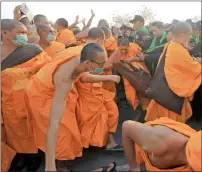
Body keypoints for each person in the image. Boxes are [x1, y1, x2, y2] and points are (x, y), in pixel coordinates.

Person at [25, 42, 120, 171]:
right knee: (63, 129)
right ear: (87, 62)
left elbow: (83, 77)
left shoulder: (80, 58)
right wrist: (49, 166)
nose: (103, 67)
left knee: (71, 124)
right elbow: (54, 123)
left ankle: (60, 162)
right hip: (42, 93)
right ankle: (56, 165)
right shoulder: (65, 79)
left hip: (58, 90)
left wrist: (109, 77)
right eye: (100, 64)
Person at [1, 19, 51, 171]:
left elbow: (48, 71)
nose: (24, 36)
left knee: (35, 130)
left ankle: (35, 157)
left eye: (25, 32)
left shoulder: (33, 50)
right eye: (20, 33)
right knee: (15, 133)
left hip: (33, 100)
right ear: (4, 33)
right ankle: (21, 156)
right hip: (8, 103)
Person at [145, 22, 201, 123]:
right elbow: (193, 69)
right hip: (170, 96)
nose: (191, 37)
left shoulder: (171, 44)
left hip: (163, 92)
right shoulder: (177, 49)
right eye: (190, 34)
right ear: (182, 35)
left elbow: (181, 64)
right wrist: (199, 62)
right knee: (169, 125)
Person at [75, 27, 119, 150]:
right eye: (104, 40)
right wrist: (108, 77)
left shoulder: (96, 50)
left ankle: (109, 141)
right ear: (100, 39)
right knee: (91, 117)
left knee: (111, 111)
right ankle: (87, 144)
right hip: (84, 90)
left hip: (97, 88)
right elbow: (84, 77)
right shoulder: (80, 52)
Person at [122, 117, 201, 171]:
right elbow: (127, 127)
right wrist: (134, 168)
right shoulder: (161, 144)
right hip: (141, 150)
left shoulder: (192, 158)